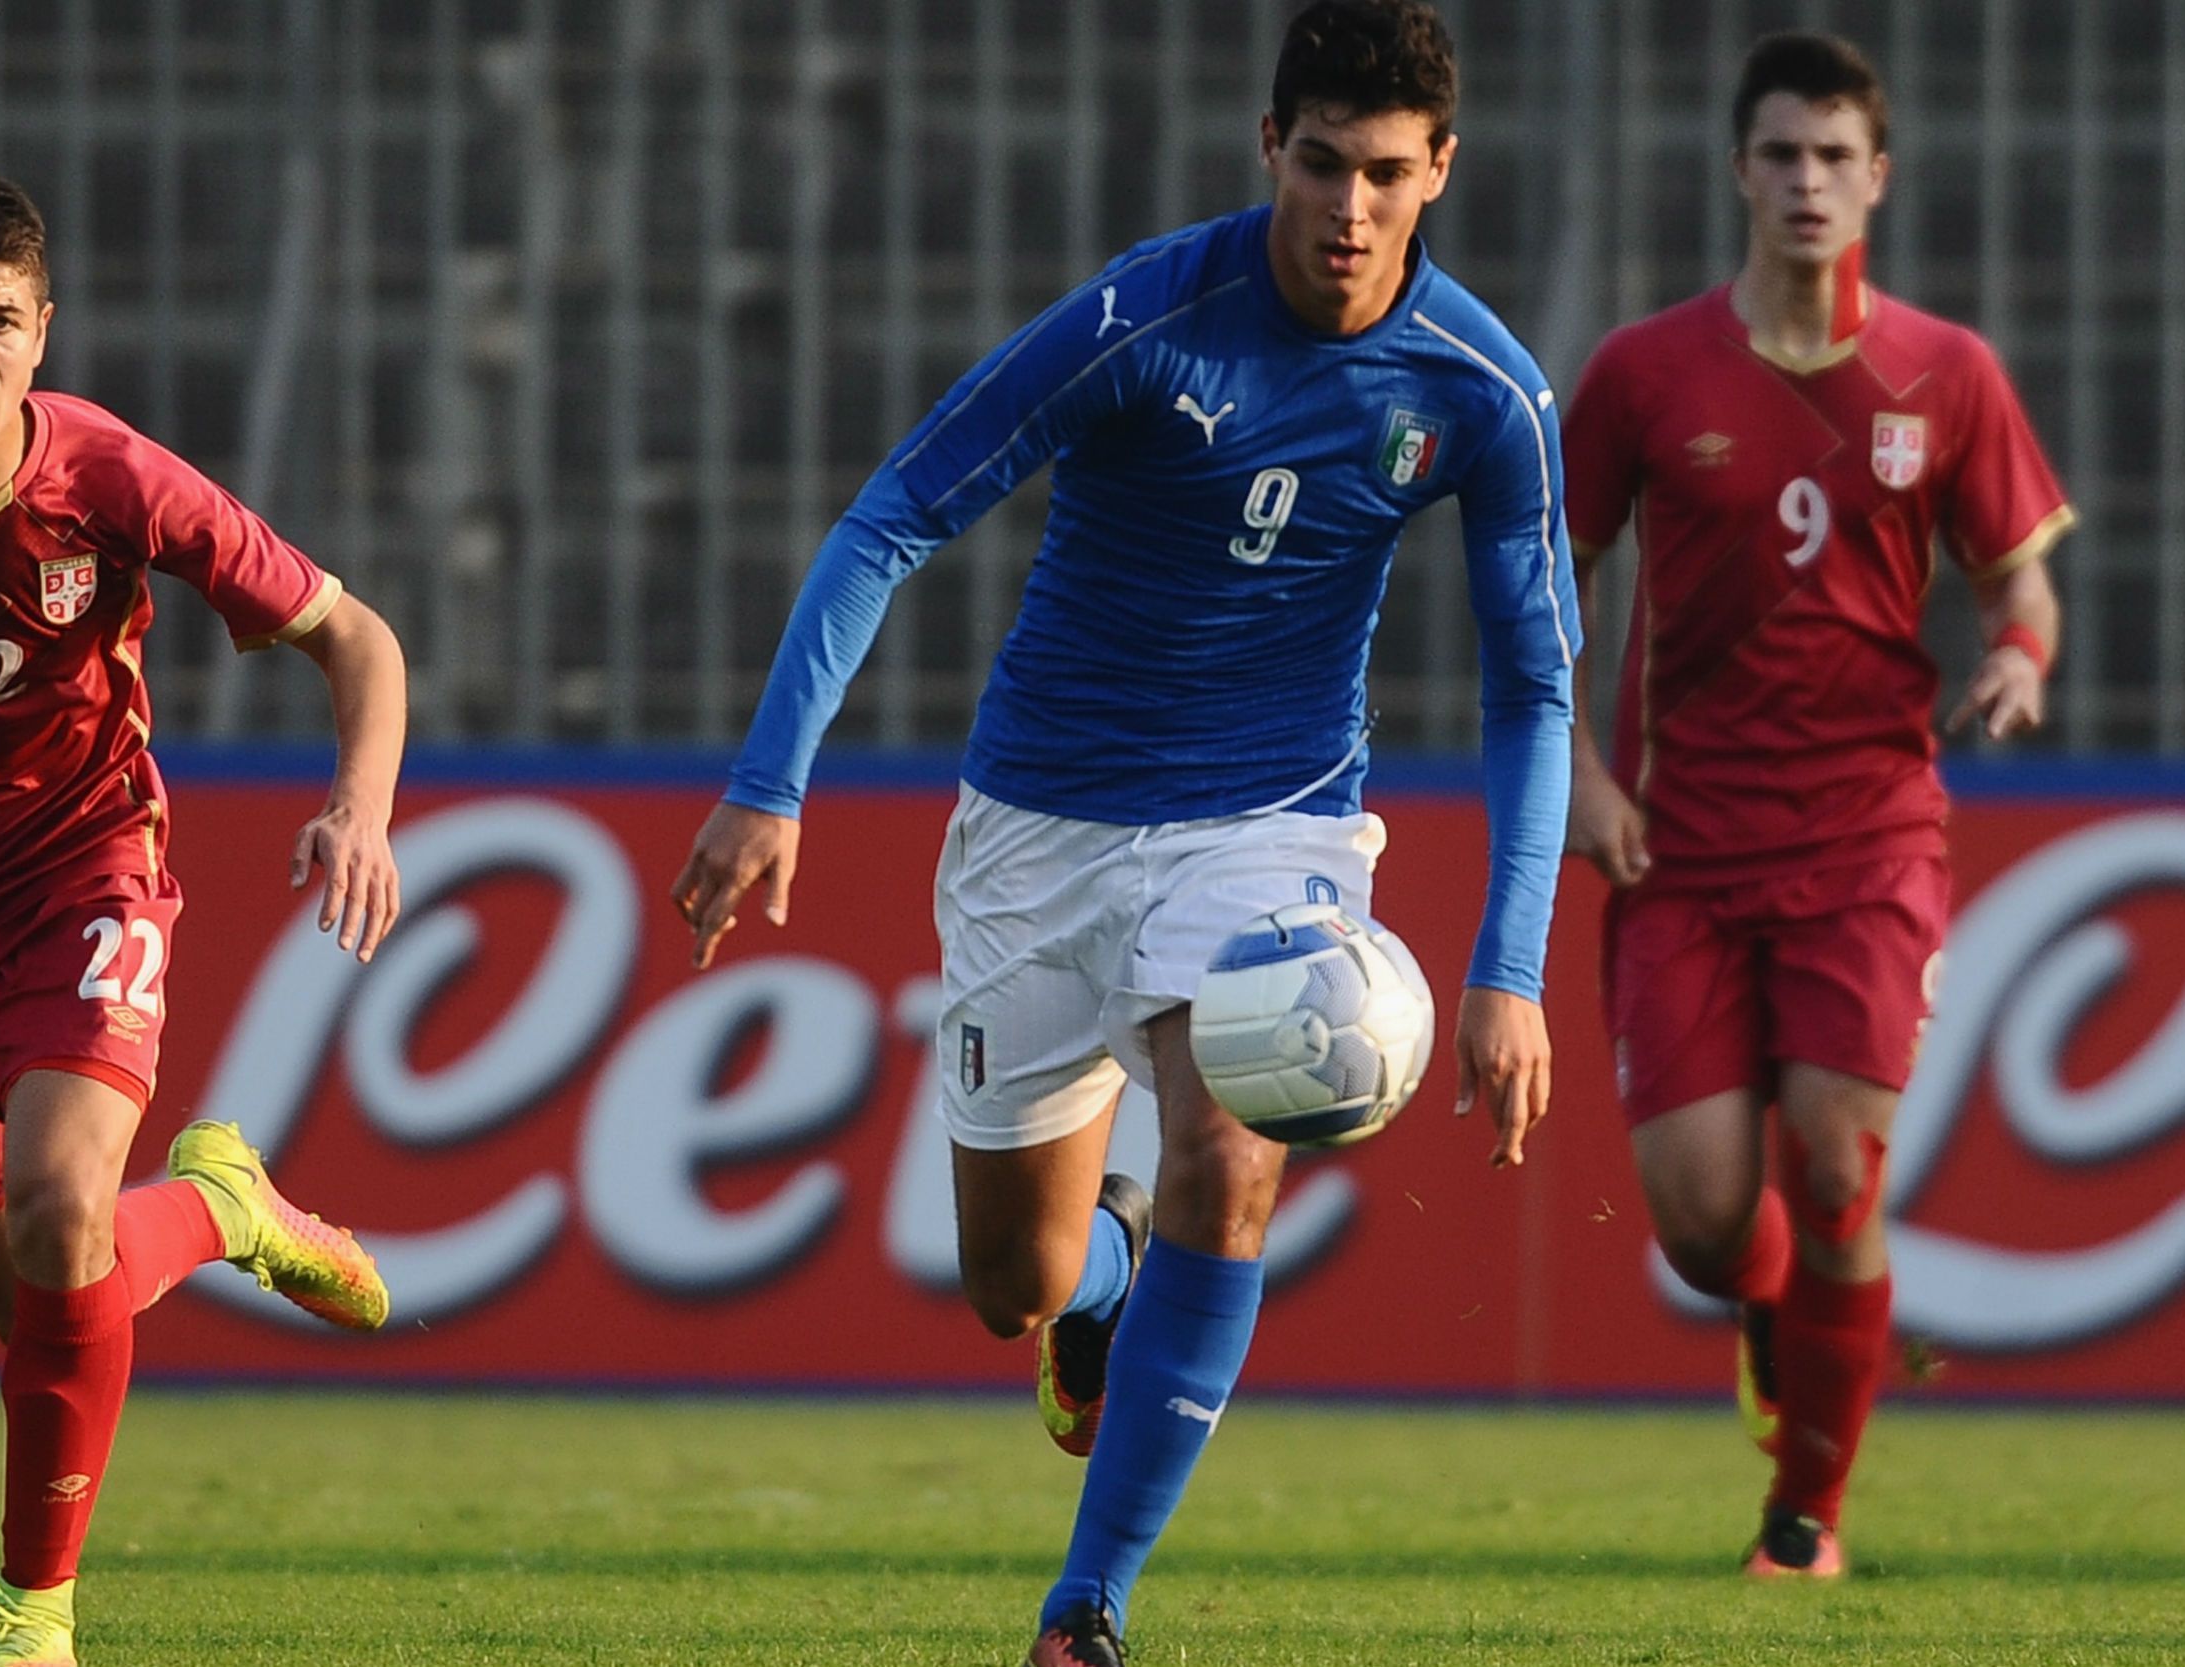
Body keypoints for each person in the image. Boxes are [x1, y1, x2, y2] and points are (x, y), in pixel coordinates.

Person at [669, 3, 1575, 1659]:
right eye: (1320, 164)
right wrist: (769, 782)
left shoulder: (1482, 392)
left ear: (1439, 169)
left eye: (1386, 174)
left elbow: (1534, 690)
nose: (1349, 209)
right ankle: (1100, 1282)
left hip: (1272, 825)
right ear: (1269, 150)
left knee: (1234, 1156)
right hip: (1041, 829)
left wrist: (1506, 967)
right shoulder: (1147, 317)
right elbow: (890, 517)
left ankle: (1085, 1611)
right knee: (1008, 1283)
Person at [0, 172, 407, 1666]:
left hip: (78, 874)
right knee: (46, 1307)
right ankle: (224, 1209)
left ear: (43, 332)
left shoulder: (113, 478)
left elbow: (356, 638)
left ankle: (31, 1618)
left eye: (0, 321)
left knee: (64, 1216)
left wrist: (361, 808)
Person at [1559, 33, 2072, 1580]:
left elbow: (2019, 582)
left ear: (1877, 180)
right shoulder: (1645, 375)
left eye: (1833, 156)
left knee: (1837, 1165)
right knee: (1705, 1227)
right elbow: (1541, 587)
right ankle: (1773, 1313)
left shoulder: (1945, 372)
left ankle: (1805, 1519)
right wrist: (1575, 767)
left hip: (1866, 832)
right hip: (1678, 839)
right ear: (1738, 170)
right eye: (1779, 152)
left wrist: (2021, 660)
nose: (1805, 181)